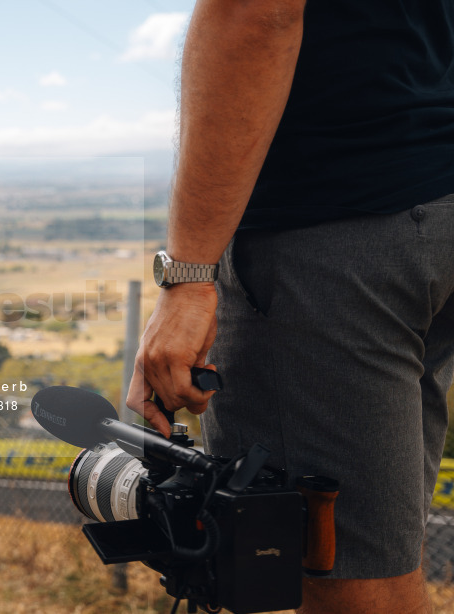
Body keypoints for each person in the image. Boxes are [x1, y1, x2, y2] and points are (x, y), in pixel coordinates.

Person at [126, 1, 454, 613]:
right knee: (381, 548)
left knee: (344, 582)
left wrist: (190, 276)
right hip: (429, 210)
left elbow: (255, 10)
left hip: (331, 237)